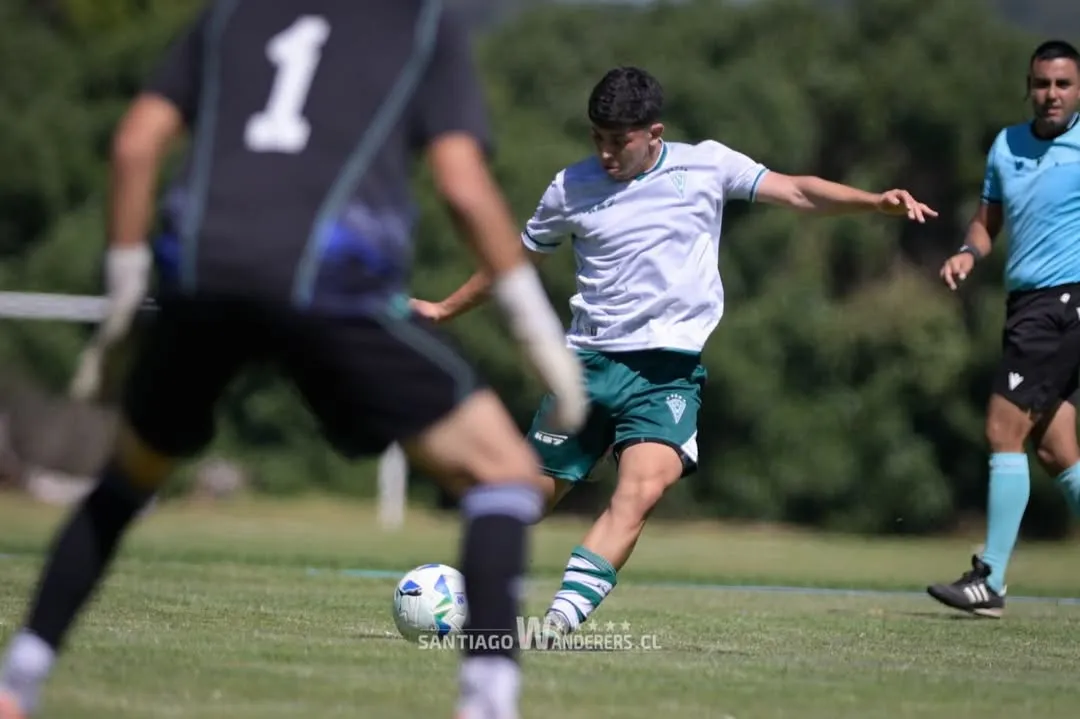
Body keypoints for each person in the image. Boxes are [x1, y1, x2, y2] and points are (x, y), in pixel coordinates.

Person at [0, 2, 587, 718]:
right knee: (503, 474)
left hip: (200, 281)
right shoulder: (420, 26)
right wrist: (534, 329)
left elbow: (135, 143)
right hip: (330, 285)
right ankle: (487, 704)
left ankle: (17, 682)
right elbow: (462, 184)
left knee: (129, 477)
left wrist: (126, 288)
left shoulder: (228, 18)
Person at [411, 66, 936, 641]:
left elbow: (795, 189)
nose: (607, 153)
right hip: (584, 371)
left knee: (640, 491)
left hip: (666, 375)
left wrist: (873, 203)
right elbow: (512, 264)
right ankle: (456, 589)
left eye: (620, 141)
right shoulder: (570, 187)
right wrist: (442, 309)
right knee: (526, 497)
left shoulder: (706, 164)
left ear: (654, 133)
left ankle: (557, 624)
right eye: (598, 139)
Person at [927, 40, 1080, 619]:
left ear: (1079, 90)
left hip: (1062, 304)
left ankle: (989, 579)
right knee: (1055, 447)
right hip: (1027, 306)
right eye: (1043, 84)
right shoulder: (1007, 144)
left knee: (1002, 428)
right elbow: (987, 221)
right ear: (1029, 86)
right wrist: (968, 252)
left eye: (1063, 84)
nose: (1052, 95)